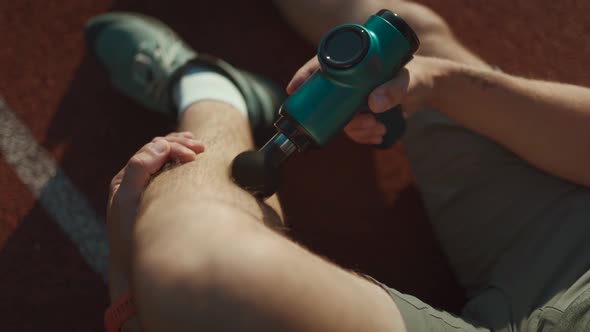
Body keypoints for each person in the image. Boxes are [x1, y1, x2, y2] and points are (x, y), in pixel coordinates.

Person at [87, 1, 590, 331]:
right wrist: (440, 82)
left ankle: (212, 91)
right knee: (403, 36)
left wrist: (127, 282)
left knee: (196, 273)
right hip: (573, 239)